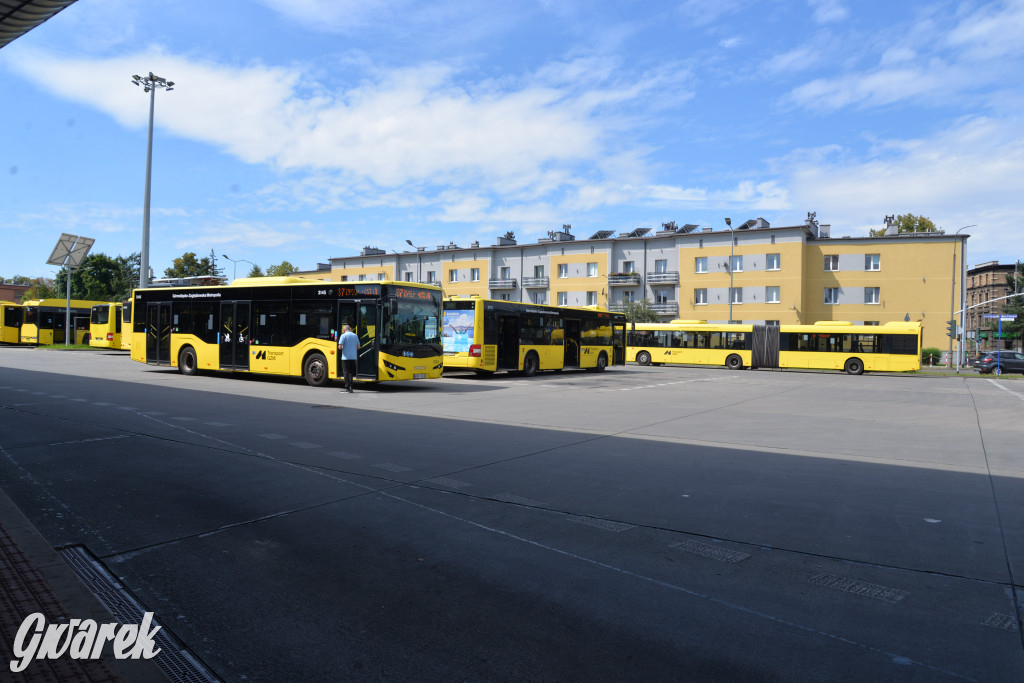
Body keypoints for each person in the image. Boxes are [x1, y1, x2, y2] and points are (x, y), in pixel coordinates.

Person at [338, 324, 358, 393]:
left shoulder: (343, 336)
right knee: (351, 372)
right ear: (350, 329)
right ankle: (351, 387)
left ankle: (347, 387)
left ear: (344, 330)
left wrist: (343, 347)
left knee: (345, 372)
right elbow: (358, 346)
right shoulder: (355, 335)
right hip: (353, 357)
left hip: (345, 357)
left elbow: (340, 347)